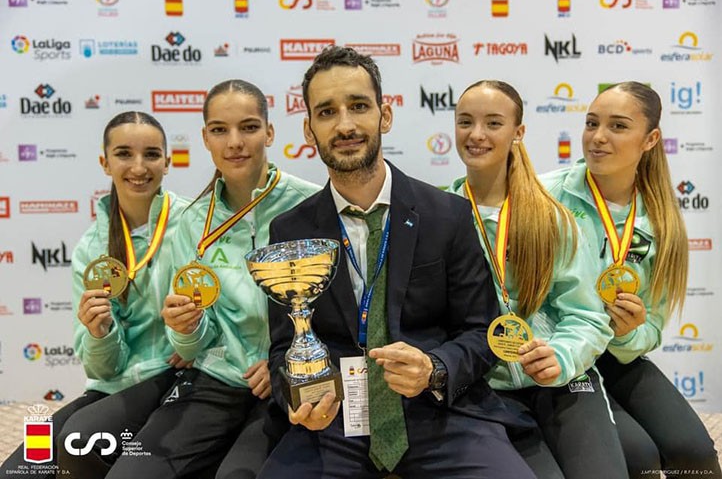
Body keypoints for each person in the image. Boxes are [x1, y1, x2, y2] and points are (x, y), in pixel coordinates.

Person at [257, 46, 535, 479]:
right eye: (327, 112)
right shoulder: (291, 233)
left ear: (384, 117)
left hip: (441, 415)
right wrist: (296, 395)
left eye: (359, 106)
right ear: (309, 130)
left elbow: (481, 332)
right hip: (333, 423)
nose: (345, 124)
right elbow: (283, 347)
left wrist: (436, 368)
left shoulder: (448, 215)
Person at [81, 80, 319, 479]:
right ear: (205, 138)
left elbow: (336, 306)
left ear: (270, 132)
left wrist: (283, 358)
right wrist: (184, 327)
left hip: (283, 382)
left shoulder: (309, 204)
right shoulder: (193, 220)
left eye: (248, 127)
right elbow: (192, 343)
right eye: (220, 130)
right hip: (215, 379)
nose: (235, 142)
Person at [541, 81, 722, 479]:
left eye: (618, 127)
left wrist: (628, 332)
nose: (598, 138)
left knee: (694, 454)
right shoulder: (546, 196)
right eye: (591, 123)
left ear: (650, 139)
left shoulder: (661, 219)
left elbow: (652, 327)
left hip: (618, 357)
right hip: (567, 355)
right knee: (639, 458)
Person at [446, 80, 626, 478]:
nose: (476, 135)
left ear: (518, 133)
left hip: (563, 382)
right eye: (465, 122)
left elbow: (587, 316)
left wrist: (560, 357)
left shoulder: (552, 217)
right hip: (484, 390)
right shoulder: (438, 216)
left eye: (493, 123)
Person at [0, 111, 190, 478]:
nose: (138, 166)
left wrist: (191, 336)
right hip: (110, 387)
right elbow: (101, 368)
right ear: (105, 163)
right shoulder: (91, 246)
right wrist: (98, 332)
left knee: (80, 441)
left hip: (170, 379)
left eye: (151, 154)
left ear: (167, 162)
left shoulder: (192, 223)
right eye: (123, 154)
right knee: (19, 470)